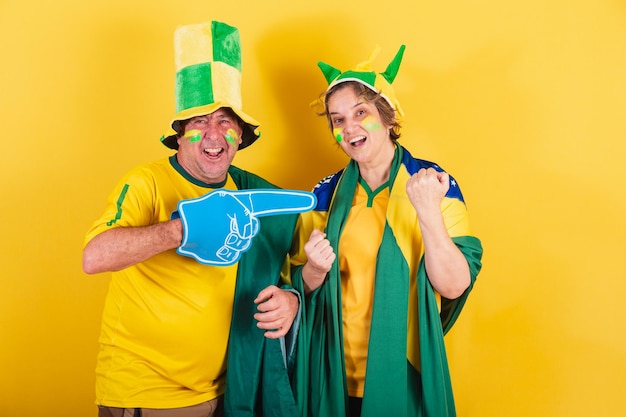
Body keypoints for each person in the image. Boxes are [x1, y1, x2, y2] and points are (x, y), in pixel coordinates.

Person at [83, 21, 307, 417]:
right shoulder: (146, 182)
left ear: (240, 135)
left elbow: (304, 266)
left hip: (228, 393)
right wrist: (181, 228)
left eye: (225, 122)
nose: (213, 135)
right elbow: (94, 257)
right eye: (199, 122)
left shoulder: (253, 194)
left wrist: (292, 300)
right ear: (180, 133)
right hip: (146, 395)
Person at [289, 46, 484, 417]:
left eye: (361, 113)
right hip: (331, 375)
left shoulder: (436, 185)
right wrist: (313, 270)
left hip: (405, 372)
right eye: (338, 119)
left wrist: (427, 211)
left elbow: (455, 285)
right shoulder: (323, 196)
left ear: (388, 115)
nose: (350, 128)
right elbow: (298, 285)